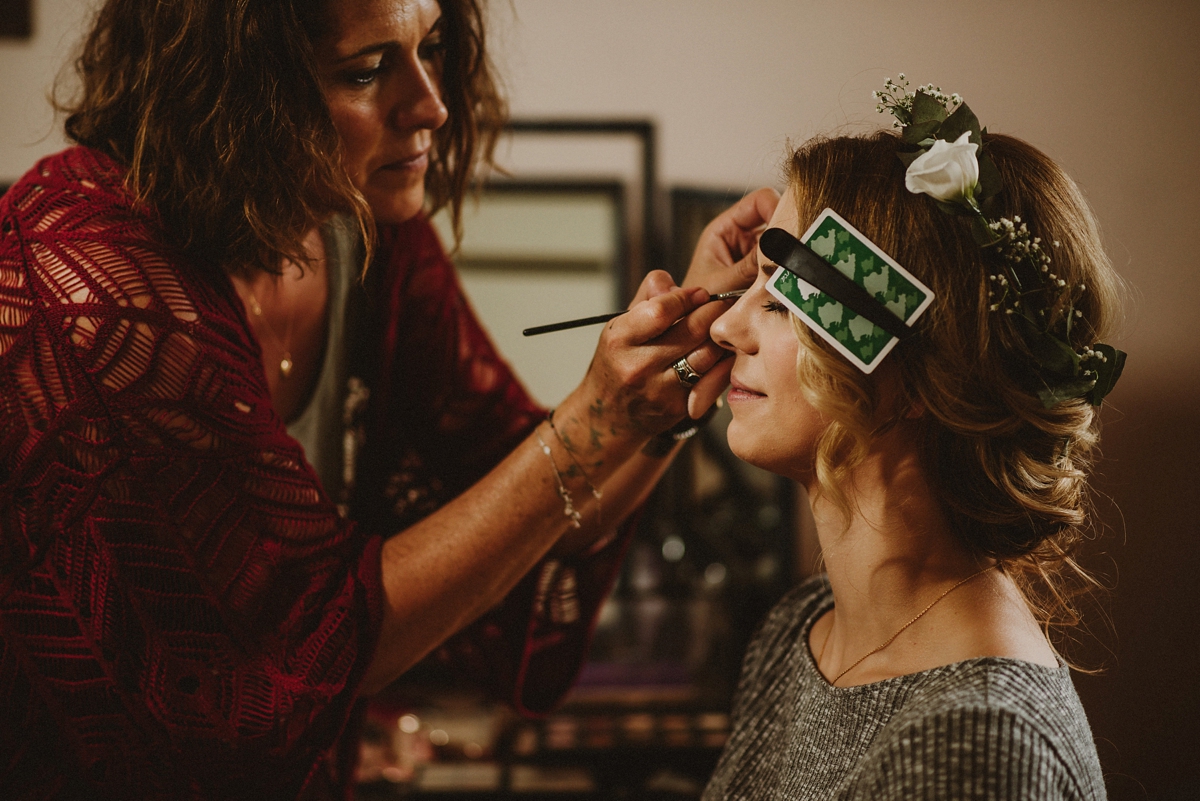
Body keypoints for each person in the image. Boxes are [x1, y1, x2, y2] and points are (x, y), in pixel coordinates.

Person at [0, 0, 777, 798]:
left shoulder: (357, 227)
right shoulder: (92, 291)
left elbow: (537, 506)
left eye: (431, 48)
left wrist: (688, 343)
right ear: (231, 88)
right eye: (366, 70)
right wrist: (594, 421)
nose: (432, 103)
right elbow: (299, 646)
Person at [701, 81, 1122, 800]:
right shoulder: (799, 632)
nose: (724, 327)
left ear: (918, 374)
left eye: (778, 297)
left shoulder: (977, 747)